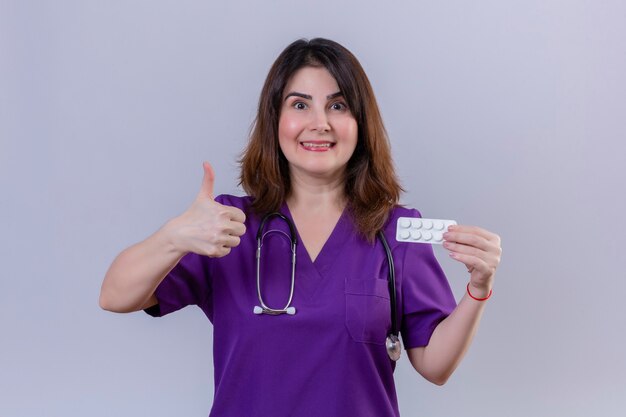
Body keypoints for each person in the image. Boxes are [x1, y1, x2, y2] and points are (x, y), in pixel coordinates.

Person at [100, 38, 502, 417]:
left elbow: (435, 365)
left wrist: (478, 290)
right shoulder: (227, 227)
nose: (320, 123)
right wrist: (173, 237)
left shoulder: (394, 232)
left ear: (361, 123)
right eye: (300, 105)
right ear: (275, 118)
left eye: (339, 106)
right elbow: (115, 295)